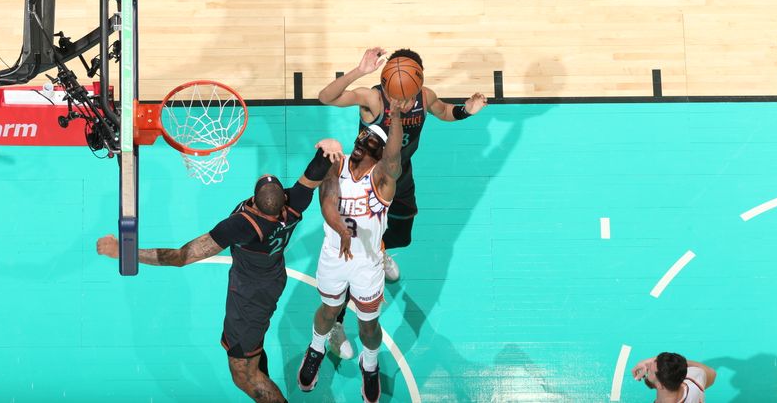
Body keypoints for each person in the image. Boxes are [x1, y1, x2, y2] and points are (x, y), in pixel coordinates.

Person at [96, 138, 346, 403]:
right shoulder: (295, 203)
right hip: (271, 279)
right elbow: (313, 174)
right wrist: (329, 147)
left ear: (257, 201)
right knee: (253, 348)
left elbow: (181, 256)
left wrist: (124, 252)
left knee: (243, 374)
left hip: (250, 298)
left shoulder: (241, 226)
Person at [317, 47, 488, 358]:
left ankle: (381, 253)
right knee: (351, 258)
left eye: (409, 96)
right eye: (400, 95)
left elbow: (443, 111)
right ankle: (337, 324)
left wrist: (466, 110)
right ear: (386, 85)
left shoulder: (425, 95)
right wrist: (358, 71)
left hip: (399, 178)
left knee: (396, 233)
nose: (405, 102)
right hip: (364, 183)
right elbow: (325, 98)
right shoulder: (373, 99)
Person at [297, 99, 407, 403]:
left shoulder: (383, 179)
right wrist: (341, 229)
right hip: (334, 255)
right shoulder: (336, 164)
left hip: (367, 263)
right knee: (329, 311)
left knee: (368, 324)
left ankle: (369, 365)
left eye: (372, 142)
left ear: (381, 154)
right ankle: (316, 348)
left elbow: (395, 155)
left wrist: (395, 115)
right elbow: (327, 202)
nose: (363, 142)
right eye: (362, 137)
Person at [632, 352, 717, 402]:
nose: (647, 366)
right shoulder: (695, 380)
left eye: (650, 369)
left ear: (660, 385)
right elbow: (712, 374)